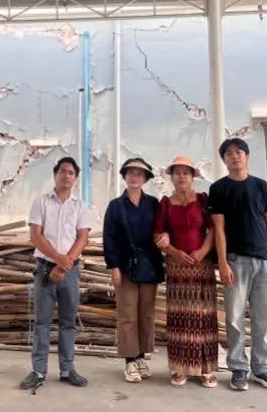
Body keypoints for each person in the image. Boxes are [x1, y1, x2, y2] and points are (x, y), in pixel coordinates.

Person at [210, 138, 267, 392]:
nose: (234, 156)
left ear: (247, 156)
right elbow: (218, 229)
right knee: (234, 318)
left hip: (263, 261)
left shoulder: (261, 186)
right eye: (229, 153)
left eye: (239, 152)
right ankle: (238, 368)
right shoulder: (219, 188)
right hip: (235, 261)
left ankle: (262, 369)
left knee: (264, 318)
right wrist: (222, 262)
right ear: (224, 160)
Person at [20, 156, 91, 391]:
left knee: (68, 322)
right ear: (55, 174)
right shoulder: (41, 202)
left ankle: (67, 369)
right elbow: (36, 236)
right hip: (44, 269)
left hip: (69, 271)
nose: (66, 176)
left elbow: (82, 237)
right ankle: (38, 371)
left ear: (75, 178)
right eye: (62, 171)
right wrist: (58, 259)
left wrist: (63, 265)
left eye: (71, 172)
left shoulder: (80, 206)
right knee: (42, 322)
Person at [154, 156, 219, 388]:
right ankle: (180, 367)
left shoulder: (203, 199)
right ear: (171, 177)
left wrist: (203, 251)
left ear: (193, 177)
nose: (181, 177)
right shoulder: (165, 203)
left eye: (185, 172)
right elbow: (158, 234)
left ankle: (206, 368)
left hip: (202, 265)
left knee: (204, 315)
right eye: (177, 173)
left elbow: (213, 229)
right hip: (177, 266)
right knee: (180, 317)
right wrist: (174, 252)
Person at [103, 157, 164, 383]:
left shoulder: (154, 204)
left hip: (150, 266)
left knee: (146, 313)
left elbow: (161, 230)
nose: (135, 176)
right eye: (131, 172)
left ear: (145, 178)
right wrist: (114, 267)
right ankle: (129, 360)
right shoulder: (115, 206)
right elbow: (109, 238)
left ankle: (140, 356)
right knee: (127, 314)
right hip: (125, 267)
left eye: (140, 173)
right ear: (124, 176)